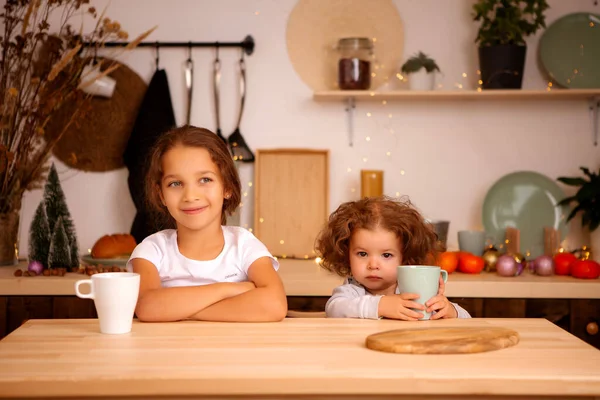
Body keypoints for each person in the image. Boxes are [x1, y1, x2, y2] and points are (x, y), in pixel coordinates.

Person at [127, 126, 287, 322]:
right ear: (161, 194)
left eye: (205, 179)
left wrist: (179, 311)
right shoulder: (152, 250)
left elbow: (275, 305)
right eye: (175, 183)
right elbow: (147, 307)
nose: (190, 196)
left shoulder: (244, 244)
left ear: (227, 186)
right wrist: (230, 289)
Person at [315, 196, 470, 320]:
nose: (373, 265)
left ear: (405, 256)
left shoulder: (412, 289)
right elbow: (334, 309)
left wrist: (451, 310)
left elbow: (469, 321)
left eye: (386, 255)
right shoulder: (352, 291)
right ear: (345, 253)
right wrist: (380, 305)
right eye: (362, 254)